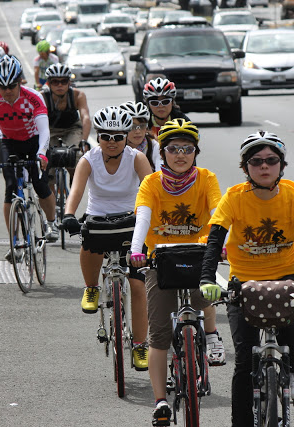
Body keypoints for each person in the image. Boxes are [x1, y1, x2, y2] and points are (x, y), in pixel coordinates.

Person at [198, 131, 294, 427]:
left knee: (287, 309)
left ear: (281, 165)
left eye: (272, 160)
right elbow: (214, 242)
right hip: (243, 281)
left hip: (288, 273)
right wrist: (207, 280)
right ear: (245, 168)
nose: (264, 166)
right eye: (256, 161)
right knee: (244, 360)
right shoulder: (234, 197)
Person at [128, 119, 226, 426]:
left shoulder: (206, 178)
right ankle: (160, 401)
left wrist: (220, 244)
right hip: (161, 259)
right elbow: (143, 216)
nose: (180, 155)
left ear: (195, 152)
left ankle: (210, 337)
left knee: (207, 288)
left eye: (187, 149)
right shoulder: (152, 183)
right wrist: (136, 250)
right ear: (163, 152)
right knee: (158, 337)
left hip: (197, 254)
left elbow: (219, 214)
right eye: (173, 149)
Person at [61, 106, 153, 370]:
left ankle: (139, 346)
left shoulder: (137, 158)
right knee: (88, 240)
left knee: (137, 287)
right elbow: (76, 190)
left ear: (126, 136)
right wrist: (69, 214)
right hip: (98, 217)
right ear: (98, 137)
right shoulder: (88, 160)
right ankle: (91, 287)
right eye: (105, 136)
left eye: (117, 136)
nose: (111, 142)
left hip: (130, 220)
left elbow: (151, 190)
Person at [0, 55, 59, 260]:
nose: (7, 91)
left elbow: (44, 131)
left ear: (20, 81)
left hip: (34, 141)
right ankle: (14, 243)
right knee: (11, 187)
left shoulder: (33, 97)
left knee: (41, 184)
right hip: (9, 142)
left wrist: (42, 153)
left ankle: (51, 223)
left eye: (12, 86)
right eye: (2, 87)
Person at [41, 63, 91, 182]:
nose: (60, 85)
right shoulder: (42, 97)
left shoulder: (77, 95)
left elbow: (86, 118)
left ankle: (74, 185)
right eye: (55, 82)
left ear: (69, 82)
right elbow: (37, 123)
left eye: (63, 81)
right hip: (50, 130)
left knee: (74, 157)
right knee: (48, 168)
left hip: (72, 128)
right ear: (48, 83)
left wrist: (84, 141)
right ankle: (52, 194)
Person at [119, 101, 162, 172]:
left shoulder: (155, 147)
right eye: (132, 126)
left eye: (142, 126)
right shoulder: (115, 148)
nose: (138, 131)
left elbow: (160, 174)